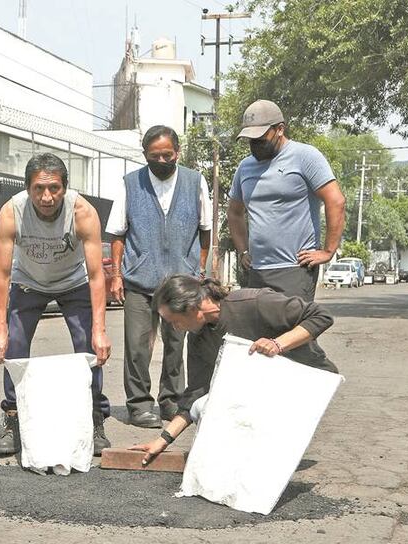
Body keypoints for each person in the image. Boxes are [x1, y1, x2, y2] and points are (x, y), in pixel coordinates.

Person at [129, 274, 338, 463]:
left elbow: (321, 316)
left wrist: (278, 344)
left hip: (310, 380)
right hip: (264, 386)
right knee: (205, 407)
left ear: (193, 308)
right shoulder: (198, 337)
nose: (175, 328)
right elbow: (196, 394)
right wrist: (163, 440)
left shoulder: (252, 303)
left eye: (175, 321)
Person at [0, 153, 112, 458]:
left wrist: (100, 330)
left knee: (89, 349)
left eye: (54, 188)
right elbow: (2, 274)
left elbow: (97, 276)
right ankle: (13, 417)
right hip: (28, 281)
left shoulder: (82, 212)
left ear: (65, 188)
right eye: (39, 189)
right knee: (13, 345)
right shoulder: (11, 212)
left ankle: (93, 415)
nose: (47, 197)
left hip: (73, 282)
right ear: (28, 189)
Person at [106, 125, 211, 428]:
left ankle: (171, 401)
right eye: (155, 156)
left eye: (168, 155)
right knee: (138, 346)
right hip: (140, 282)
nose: (162, 161)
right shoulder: (130, 183)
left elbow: (205, 231)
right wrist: (117, 275)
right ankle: (139, 404)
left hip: (181, 284)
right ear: (145, 155)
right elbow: (117, 233)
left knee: (176, 345)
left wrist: (198, 271)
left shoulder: (195, 182)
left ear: (177, 152)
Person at [228, 100, 346, 301]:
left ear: (279, 129)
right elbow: (234, 212)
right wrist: (243, 251)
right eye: (251, 140)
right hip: (257, 270)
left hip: (295, 269)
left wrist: (327, 251)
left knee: (294, 330)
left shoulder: (305, 157)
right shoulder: (245, 167)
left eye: (261, 138)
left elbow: (336, 201)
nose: (255, 144)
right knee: (259, 331)